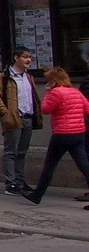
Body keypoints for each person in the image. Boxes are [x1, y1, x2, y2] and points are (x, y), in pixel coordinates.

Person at [25, 67, 89, 205]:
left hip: (62, 134)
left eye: (48, 81)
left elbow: (45, 109)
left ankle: (37, 195)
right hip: (78, 134)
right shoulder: (76, 92)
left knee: (50, 165)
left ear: (53, 81)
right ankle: (37, 195)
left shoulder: (56, 92)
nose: (47, 83)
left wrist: (48, 92)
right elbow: (87, 109)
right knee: (84, 165)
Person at [0, 47, 40, 197]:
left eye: (30, 57)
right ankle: (10, 183)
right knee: (11, 152)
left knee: (22, 152)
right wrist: (5, 112)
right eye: (25, 57)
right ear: (16, 58)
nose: (28, 60)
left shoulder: (28, 77)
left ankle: (20, 181)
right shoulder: (2, 77)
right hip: (13, 118)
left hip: (27, 118)